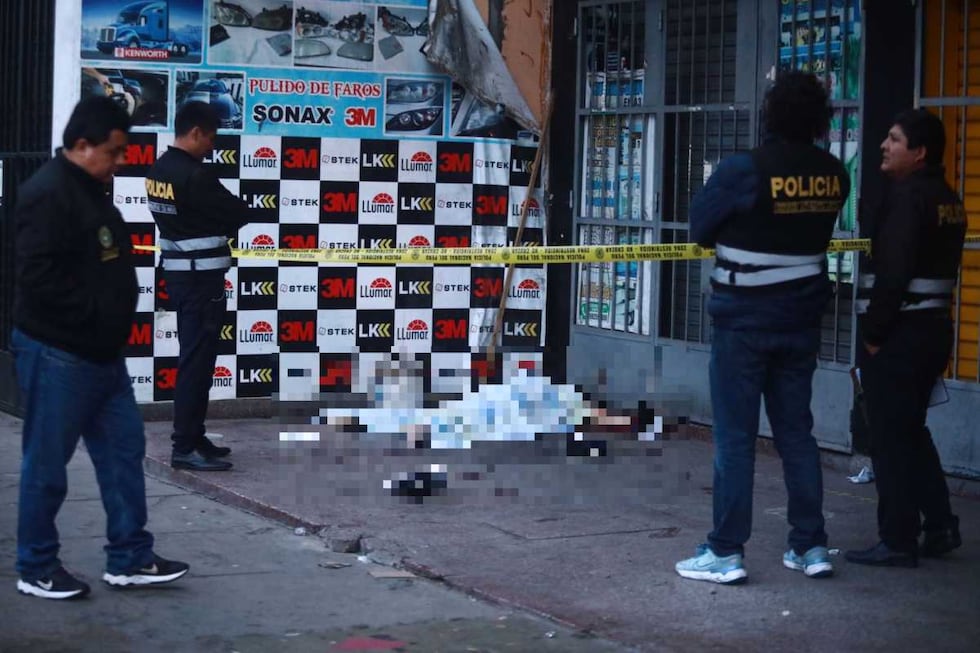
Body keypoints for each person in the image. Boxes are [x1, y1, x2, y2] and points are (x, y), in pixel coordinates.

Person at [10, 96, 189, 599]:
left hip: (104, 358)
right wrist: (93, 322)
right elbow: (39, 281)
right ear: (82, 145)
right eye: (114, 152)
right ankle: (36, 567)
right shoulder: (46, 194)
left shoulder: (91, 187)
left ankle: (129, 556)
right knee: (46, 467)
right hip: (59, 355)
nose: (122, 160)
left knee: (124, 455)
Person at [675, 71, 849, 584]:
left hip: (744, 324)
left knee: (735, 438)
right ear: (820, 118)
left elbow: (700, 228)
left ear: (770, 113)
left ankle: (726, 551)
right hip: (800, 323)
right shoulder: (835, 175)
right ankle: (810, 546)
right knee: (797, 434)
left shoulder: (743, 170)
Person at [845, 109, 965, 568]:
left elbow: (893, 273)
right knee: (913, 432)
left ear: (919, 152)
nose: (883, 146)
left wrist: (874, 336)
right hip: (933, 332)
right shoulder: (947, 197)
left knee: (891, 439)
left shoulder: (907, 197)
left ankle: (897, 538)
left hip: (900, 337)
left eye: (894, 140)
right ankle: (940, 526)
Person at [145, 102, 251, 472]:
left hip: (179, 276)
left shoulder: (158, 170)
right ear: (195, 132)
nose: (212, 146)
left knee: (197, 358)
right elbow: (239, 212)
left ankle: (194, 434)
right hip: (200, 280)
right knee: (197, 361)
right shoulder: (195, 175)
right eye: (210, 138)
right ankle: (184, 445)